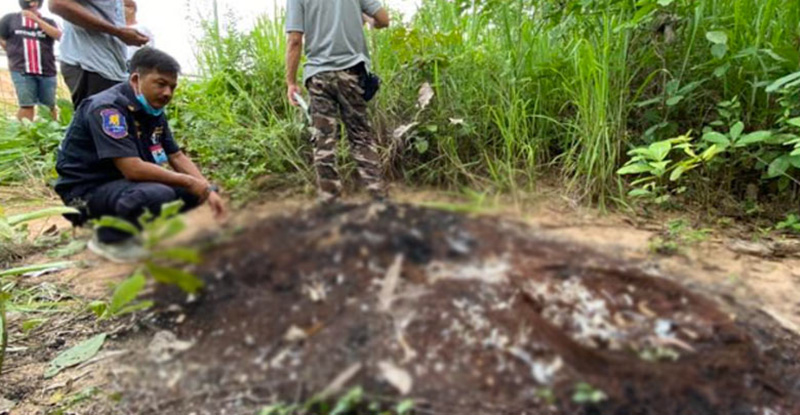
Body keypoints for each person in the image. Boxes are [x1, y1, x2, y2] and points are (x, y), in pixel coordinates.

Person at [54, 48, 227, 263]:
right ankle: (109, 239)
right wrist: (190, 181)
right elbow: (133, 168)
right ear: (136, 79)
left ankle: (128, 227)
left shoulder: (152, 110)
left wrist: (206, 188)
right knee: (158, 194)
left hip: (120, 186)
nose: (167, 93)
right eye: (161, 84)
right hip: (84, 194)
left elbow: (176, 156)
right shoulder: (107, 109)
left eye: (172, 87)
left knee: (195, 191)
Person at [285, 0, 391, 204]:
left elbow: (295, 40)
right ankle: (379, 198)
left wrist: (291, 82)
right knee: (361, 137)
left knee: (324, 141)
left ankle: (331, 203)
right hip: (352, 73)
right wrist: (368, 20)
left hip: (319, 76)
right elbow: (384, 20)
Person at [49, 0, 149, 108]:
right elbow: (57, 4)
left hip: (112, 67)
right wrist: (118, 32)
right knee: (98, 120)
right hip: (90, 64)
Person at [0, 0, 62, 121]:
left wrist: (37, 20)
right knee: (26, 105)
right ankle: (25, 135)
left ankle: (51, 133)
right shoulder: (9, 19)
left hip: (47, 70)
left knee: (49, 106)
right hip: (22, 70)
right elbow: (2, 38)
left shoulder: (49, 22)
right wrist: (13, 52)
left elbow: (59, 36)